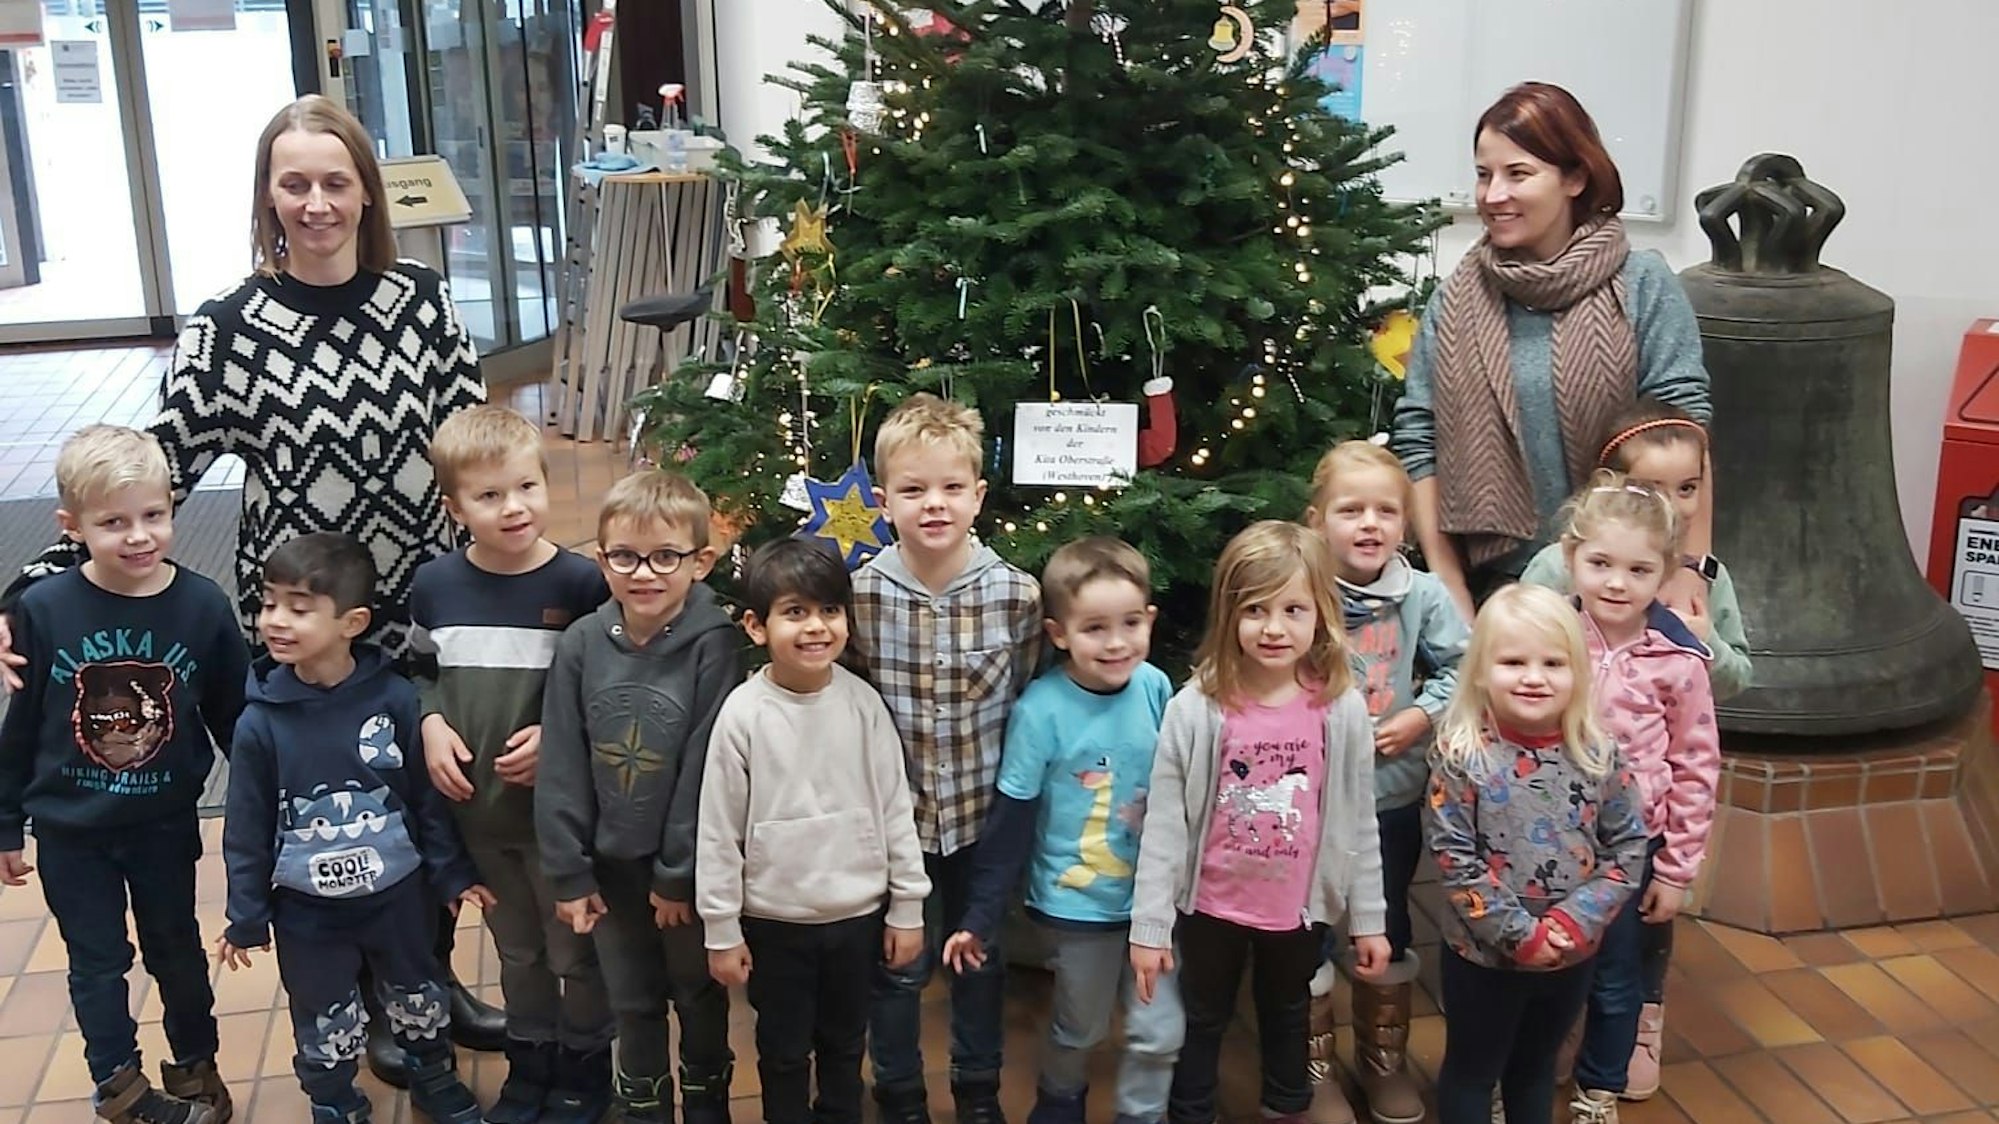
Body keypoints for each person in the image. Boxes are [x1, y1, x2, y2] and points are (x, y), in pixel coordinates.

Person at [0, 92, 502, 1068]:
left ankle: (424, 983)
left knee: (426, 806)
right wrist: (31, 582)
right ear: (268, 198)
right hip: (299, 630)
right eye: (294, 183)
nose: (315, 202)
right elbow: (154, 469)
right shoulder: (229, 324)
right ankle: (365, 997)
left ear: (365, 193)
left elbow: (475, 452)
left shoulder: (425, 304)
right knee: (329, 819)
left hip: (415, 614)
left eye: (334, 181)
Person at [1388, 81, 1710, 620]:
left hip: (1625, 590)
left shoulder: (1643, 284)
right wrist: (1448, 588)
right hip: (1497, 592)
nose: (1493, 196)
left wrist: (1688, 567)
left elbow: (1685, 431)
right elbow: (1420, 438)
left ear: (1575, 178)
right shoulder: (1457, 297)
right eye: (1484, 174)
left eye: (1518, 174)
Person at [0, 426, 248, 1124]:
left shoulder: (202, 607)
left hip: (164, 824)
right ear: (70, 527)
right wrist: (5, 822)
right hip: (71, 831)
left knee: (177, 952)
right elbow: (20, 729)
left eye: (153, 516)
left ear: (173, 508)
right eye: (113, 522)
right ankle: (119, 1087)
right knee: (98, 963)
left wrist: (267, 804)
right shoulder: (42, 610)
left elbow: (235, 716)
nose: (139, 536)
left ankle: (195, 1063)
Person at [216, 533, 492, 1124]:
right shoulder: (259, 725)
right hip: (307, 916)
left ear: (353, 622)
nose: (274, 621)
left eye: (297, 606)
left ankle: (433, 1078)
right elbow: (246, 828)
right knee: (323, 1015)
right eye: (267, 604)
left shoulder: (393, 699)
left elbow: (426, 799)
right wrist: (246, 915)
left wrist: (449, 875)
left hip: (399, 901)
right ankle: (334, 1101)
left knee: (419, 993)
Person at [1128, 520, 1390, 1124]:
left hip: (1296, 911)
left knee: (1288, 1014)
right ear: (1229, 614)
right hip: (1210, 908)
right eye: (1255, 610)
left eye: (1293, 609)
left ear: (1322, 613)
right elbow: (1166, 825)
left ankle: (1287, 1107)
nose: (1274, 628)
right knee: (1201, 1017)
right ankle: (1190, 1112)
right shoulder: (1195, 709)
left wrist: (1369, 920)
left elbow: (1357, 822)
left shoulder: (1340, 710)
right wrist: (1150, 927)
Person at [410, 405, 615, 1123]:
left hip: (556, 822)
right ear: (453, 506)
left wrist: (563, 741)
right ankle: (531, 1061)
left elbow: (609, 691)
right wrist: (430, 721)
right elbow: (417, 673)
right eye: (489, 495)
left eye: (525, 487)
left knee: (574, 953)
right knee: (518, 952)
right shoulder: (434, 586)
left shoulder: (582, 585)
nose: (512, 507)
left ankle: (586, 1066)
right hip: (479, 816)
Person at [849, 393, 1042, 1124]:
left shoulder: (1015, 596)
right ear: (882, 499)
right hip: (892, 824)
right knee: (896, 968)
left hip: (979, 823)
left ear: (978, 496)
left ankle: (977, 1090)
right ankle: (898, 1094)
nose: (934, 505)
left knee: (978, 962)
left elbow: (1024, 697)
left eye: (951, 487)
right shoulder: (860, 596)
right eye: (912, 489)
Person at [941, 537, 1180, 1124]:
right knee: (1080, 1028)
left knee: (1160, 1031)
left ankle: (1141, 1117)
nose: (1117, 642)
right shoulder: (1040, 712)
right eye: (1095, 627)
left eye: (1130, 623)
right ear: (1059, 633)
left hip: (1155, 901)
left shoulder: (1155, 689)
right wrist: (978, 917)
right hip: (1077, 910)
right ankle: (1058, 1103)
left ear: (1149, 620)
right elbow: (1011, 822)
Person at [697, 538, 931, 1124]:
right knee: (781, 1051)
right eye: (795, 612)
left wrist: (907, 908)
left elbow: (895, 809)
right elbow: (718, 830)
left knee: (846, 1046)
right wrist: (722, 928)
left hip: (857, 918)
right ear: (757, 626)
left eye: (829, 611)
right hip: (776, 924)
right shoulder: (743, 715)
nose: (816, 628)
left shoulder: (863, 706)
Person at [536, 470, 738, 1124]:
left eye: (665, 557)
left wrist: (677, 875)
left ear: (701, 561)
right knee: (631, 1000)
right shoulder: (580, 645)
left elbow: (706, 768)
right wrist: (568, 872)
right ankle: (645, 1106)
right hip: (609, 871)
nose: (643, 573)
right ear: (602, 558)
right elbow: (562, 761)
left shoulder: (716, 646)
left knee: (698, 993)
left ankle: (707, 1104)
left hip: (686, 873)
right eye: (624, 556)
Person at [1422, 584, 1648, 1124]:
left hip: (1571, 953)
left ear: (1577, 673)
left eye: (1553, 662)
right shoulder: (1461, 756)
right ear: (1480, 670)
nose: (1533, 676)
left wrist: (1575, 920)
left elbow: (1629, 846)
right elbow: (1454, 858)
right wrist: (1522, 936)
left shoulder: (1598, 754)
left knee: (1535, 1069)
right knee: (1473, 1072)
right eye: (1513, 661)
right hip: (1483, 958)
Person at [1302, 441, 1467, 1124]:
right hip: (1307, 800)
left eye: (1385, 511)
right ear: (1316, 521)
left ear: (1404, 523)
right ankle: (1308, 1070)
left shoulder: (1421, 596)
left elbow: (1466, 669)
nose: (1369, 524)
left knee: (1387, 922)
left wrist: (1420, 716)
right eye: (1350, 510)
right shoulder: (1298, 592)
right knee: (1306, 927)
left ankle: (1381, 1061)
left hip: (1391, 797)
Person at [1552, 473, 1719, 1123]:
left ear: (1664, 572)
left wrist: (1675, 869)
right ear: (1571, 560)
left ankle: (1597, 1090)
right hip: (1543, 838)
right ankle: (1529, 1070)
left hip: (1630, 848)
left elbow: (1695, 767)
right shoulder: (1549, 634)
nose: (1616, 583)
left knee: (1617, 977)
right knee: (1543, 965)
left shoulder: (1677, 659)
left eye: (1637, 569)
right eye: (1599, 564)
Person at [1519, 400, 1753, 700]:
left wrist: (1706, 640)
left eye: (1687, 488)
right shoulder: (1557, 565)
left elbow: (1735, 681)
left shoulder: (1706, 576)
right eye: (1651, 488)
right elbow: (1504, 650)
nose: (1671, 504)